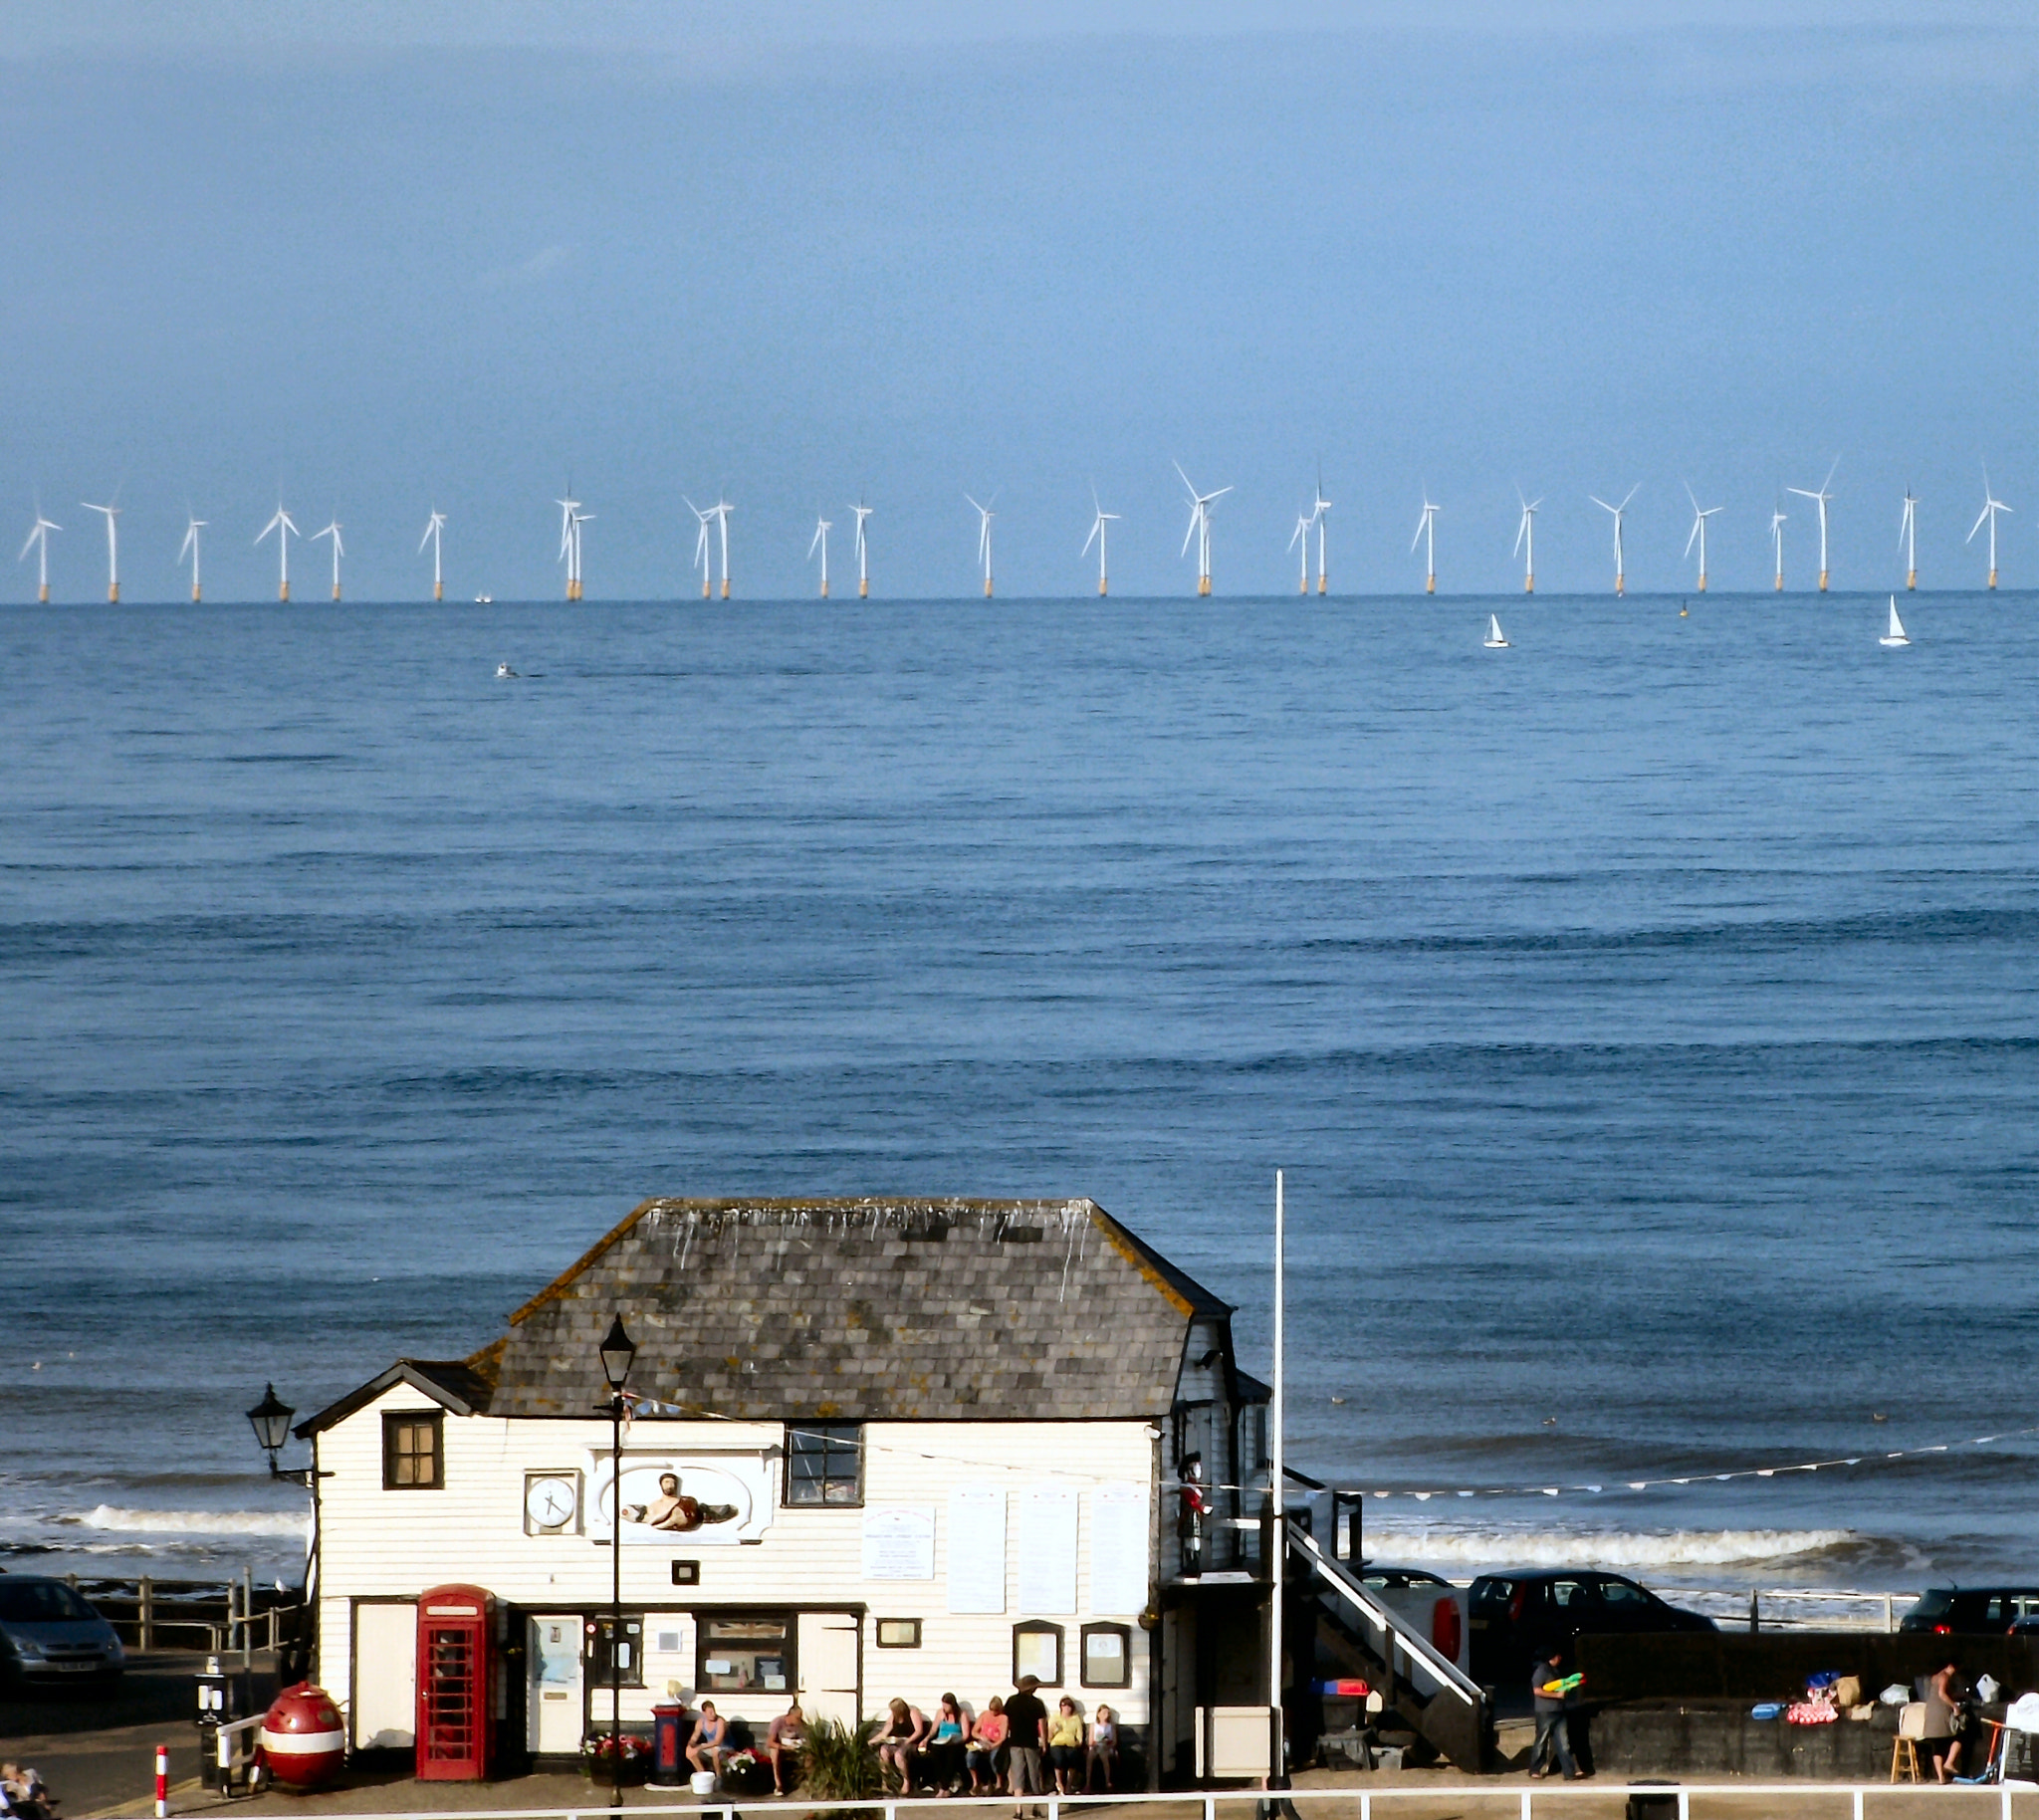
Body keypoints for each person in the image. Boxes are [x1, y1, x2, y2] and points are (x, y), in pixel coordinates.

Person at [1528, 1646, 1584, 1780]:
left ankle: (1569, 1772)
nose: (1561, 1658)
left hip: (1559, 1710)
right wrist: (1557, 1695)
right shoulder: (1542, 1671)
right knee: (1542, 1742)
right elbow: (1537, 1690)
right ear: (1554, 1657)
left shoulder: (1554, 1671)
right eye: (1559, 1656)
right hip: (1545, 1711)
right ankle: (1534, 1769)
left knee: (1564, 1743)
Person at [1003, 1675, 1050, 1818]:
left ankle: (1018, 1809)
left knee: (1018, 1774)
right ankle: (1036, 1807)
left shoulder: (1011, 1701)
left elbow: (1007, 1722)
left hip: (1015, 1741)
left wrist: (1005, 1738)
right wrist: (1045, 1742)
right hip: (1031, 1742)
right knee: (1034, 1773)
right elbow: (1042, 1724)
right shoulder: (1037, 1703)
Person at [1926, 1657, 1968, 1783]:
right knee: (1958, 1737)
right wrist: (1954, 1706)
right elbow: (1942, 1693)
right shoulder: (1944, 1676)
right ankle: (1949, 1763)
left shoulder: (1934, 1677)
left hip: (1931, 1712)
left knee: (1937, 1745)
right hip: (1941, 1712)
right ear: (1951, 1667)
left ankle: (1941, 1778)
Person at [874, 1697, 930, 1790]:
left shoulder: (912, 1713)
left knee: (899, 1755)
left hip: (911, 1742)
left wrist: (907, 1741)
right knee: (884, 1750)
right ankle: (885, 1782)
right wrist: (873, 1740)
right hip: (896, 1742)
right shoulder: (893, 1716)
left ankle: (906, 1781)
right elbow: (885, 1732)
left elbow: (919, 1731)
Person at [924, 1693, 971, 1795]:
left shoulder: (961, 1715)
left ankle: (944, 1788)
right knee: (935, 1754)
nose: (944, 1708)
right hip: (941, 1741)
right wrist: (926, 1739)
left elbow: (966, 1735)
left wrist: (956, 1740)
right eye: (943, 1705)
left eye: (946, 1705)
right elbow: (933, 1730)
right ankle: (944, 1787)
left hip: (955, 1743)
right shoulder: (940, 1713)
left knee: (951, 1757)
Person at [967, 1695, 1010, 1793]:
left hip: (995, 1743)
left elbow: (1003, 1737)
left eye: (995, 1711)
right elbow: (974, 1731)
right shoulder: (984, 1715)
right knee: (970, 1756)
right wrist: (981, 1737)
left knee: (995, 1758)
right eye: (991, 1710)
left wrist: (992, 1746)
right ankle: (975, 1782)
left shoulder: (1003, 1718)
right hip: (982, 1741)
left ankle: (999, 1782)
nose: (993, 1713)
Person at [766, 1699, 807, 1796]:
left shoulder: (801, 1725)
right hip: (780, 1747)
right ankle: (778, 1785)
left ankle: (807, 1782)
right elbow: (770, 1742)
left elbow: (807, 1738)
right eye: (797, 1717)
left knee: (809, 1754)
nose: (799, 1720)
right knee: (774, 1752)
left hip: (794, 1747)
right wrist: (784, 1747)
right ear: (790, 1716)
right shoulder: (778, 1722)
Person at [1046, 1698, 1085, 1793]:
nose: (1067, 1708)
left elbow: (1079, 1736)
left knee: (1073, 1758)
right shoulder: (1055, 1718)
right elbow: (1049, 1737)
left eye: (1069, 1706)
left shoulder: (1076, 1719)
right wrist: (1055, 1730)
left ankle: (1069, 1784)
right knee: (1058, 1759)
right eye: (1064, 1705)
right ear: (1061, 1707)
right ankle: (1059, 1783)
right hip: (1057, 1743)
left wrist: (1077, 1743)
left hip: (1071, 1744)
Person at [686, 1700, 730, 1778]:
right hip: (710, 1747)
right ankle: (703, 1775)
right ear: (704, 1713)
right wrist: (690, 1744)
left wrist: (700, 1747)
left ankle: (718, 1777)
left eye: (713, 1711)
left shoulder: (720, 1721)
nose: (713, 1714)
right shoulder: (700, 1722)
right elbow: (695, 1736)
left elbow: (717, 1741)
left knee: (715, 1751)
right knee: (689, 1752)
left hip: (725, 1748)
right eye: (710, 1712)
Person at [1086, 1704, 1118, 1792]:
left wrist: (1107, 1742)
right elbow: (1090, 1742)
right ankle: (1088, 1783)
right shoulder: (1093, 1725)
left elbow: (1114, 1741)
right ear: (1098, 1714)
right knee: (1090, 1755)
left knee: (1103, 1753)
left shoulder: (1111, 1726)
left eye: (1107, 1713)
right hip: (1095, 1746)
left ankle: (1107, 1781)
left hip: (1107, 1747)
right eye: (1104, 1713)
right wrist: (1098, 1742)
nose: (1106, 1715)